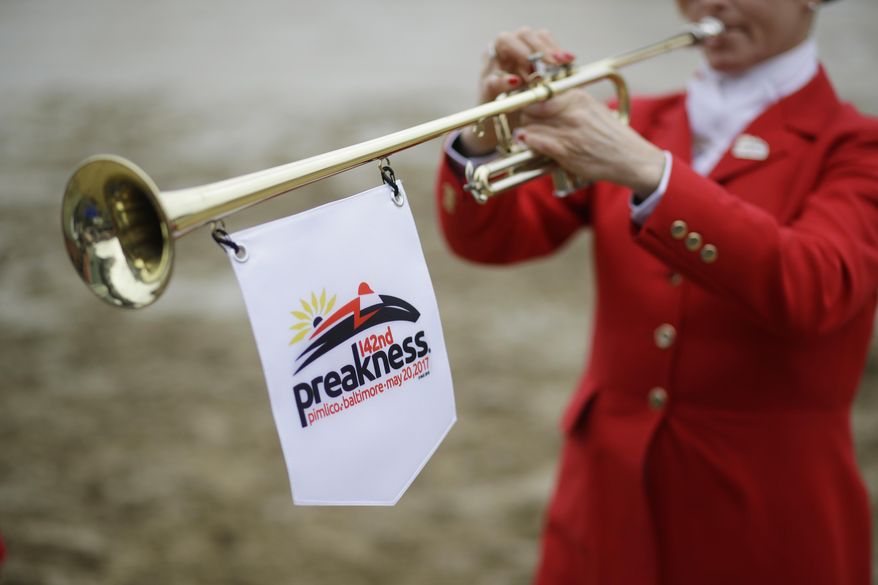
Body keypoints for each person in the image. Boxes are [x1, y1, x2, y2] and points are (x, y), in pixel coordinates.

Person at [436, 0, 878, 583]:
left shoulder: (857, 148)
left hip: (762, 521)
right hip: (603, 502)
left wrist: (652, 172)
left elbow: (816, 287)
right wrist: (484, 139)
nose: (711, 5)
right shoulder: (634, 119)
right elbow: (492, 242)